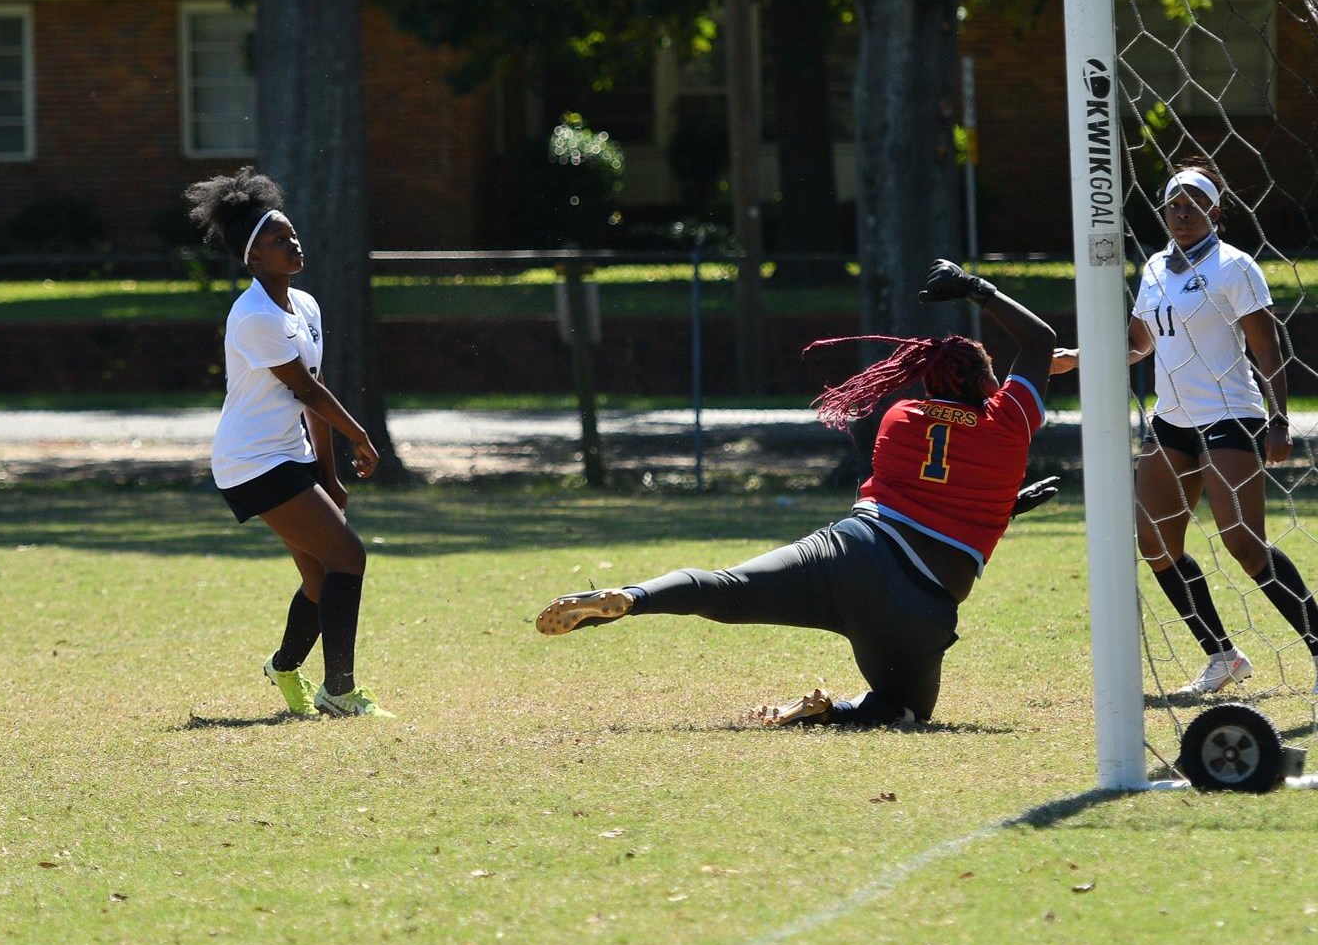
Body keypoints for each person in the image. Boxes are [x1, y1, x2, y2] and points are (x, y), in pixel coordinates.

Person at [534, 259, 1057, 726]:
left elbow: (921, 490)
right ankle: (831, 712)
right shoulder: (1007, 422)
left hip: (848, 549)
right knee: (904, 709)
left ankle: (633, 595)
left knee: (723, 589)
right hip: (914, 602)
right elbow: (1039, 342)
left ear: (926, 382)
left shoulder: (901, 416)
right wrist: (975, 289)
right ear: (991, 383)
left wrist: (1002, 504)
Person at [1051, 162, 1318, 696]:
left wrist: (1280, 420)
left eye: (1194, 205)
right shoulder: (1152, 269)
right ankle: (1222, 656)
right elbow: (1138, 344)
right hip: (1170, 420)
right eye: (1174, 204)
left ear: (1216, 211)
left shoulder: (1235, 267)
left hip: (1230, 416)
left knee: (1244, 543)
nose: (1182, 213)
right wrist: (1079, 357)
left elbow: (1266, 348)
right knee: (1153, 540)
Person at [186, 167, 391, 718]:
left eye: (292, 233)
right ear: (254, 259)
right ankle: (340, 691)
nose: (293, 242)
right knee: (349, 555)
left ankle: (283, 668)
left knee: (323, 579)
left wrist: (329, 473)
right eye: (279, 240)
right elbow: (304, 387)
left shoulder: (305, 306)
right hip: (251, 460)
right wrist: (362, 436)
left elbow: (311, 394)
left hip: (288, 454)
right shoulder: (252, 315)